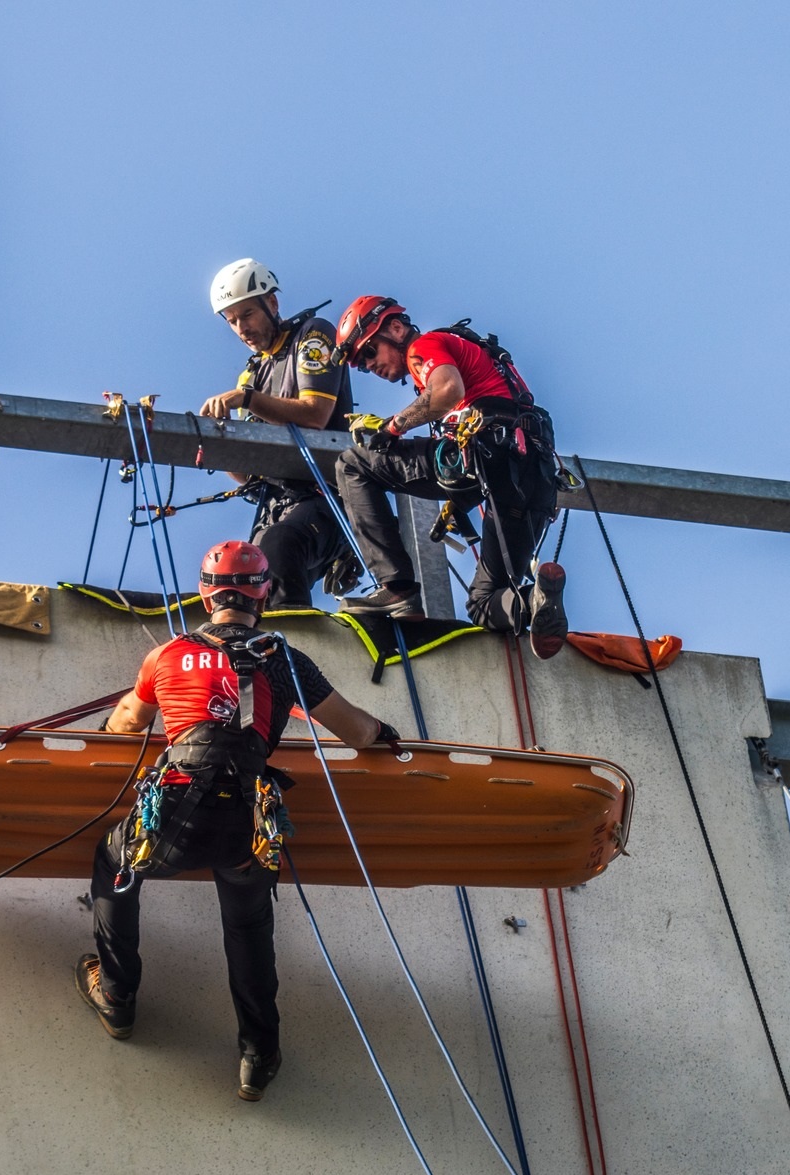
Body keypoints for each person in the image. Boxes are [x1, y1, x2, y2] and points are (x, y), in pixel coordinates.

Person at [77, 540, 399, 1101]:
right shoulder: (287, 660)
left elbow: (126, 722)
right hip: (251, 821)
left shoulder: (169, 654)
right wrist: (383, 732)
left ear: (207, 596)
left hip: (174, 815)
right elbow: (356, 731)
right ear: (264, 595)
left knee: (115, 865)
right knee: (249, 929)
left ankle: (118, 997)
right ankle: (258, 1055)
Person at [330, 296, 569, 659]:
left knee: (353, 464)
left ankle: (396, 589)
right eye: (362, 365)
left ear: (396, 328)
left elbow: (447, 390)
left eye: (369, 352)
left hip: (489, 454)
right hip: (532, 478)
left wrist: (391, 428)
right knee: (484, 603)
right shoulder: (464, 354)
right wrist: (459, 501)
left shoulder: (423, 347)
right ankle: (535, 601)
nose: (369, 365)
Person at [196, 260, 357, 609]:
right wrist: (218, 443)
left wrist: (247, 400)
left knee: (280, 546)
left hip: (325, 498)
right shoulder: (252, 374)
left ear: (272, 303)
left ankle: (296, 640)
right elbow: (248, 475)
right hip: (277, 508)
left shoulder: (312, 335)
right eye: (232, 321)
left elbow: (316, 414)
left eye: (248, 314)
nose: (242, 328)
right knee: (241, 579)